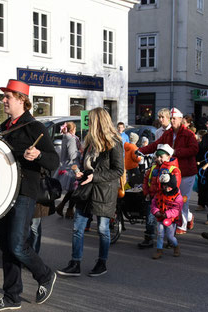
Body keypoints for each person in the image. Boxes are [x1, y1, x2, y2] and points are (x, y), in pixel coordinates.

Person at [0, 79, 58, 312]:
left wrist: (37, 155)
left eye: (8, 97)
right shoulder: (4, 127)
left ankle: (45, 275)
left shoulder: (34, 128)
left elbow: (54, 160)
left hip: (25, 192)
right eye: (4, 96)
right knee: (6, 245)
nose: (3, 100)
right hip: (4, 191)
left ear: (22, 100)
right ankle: (11, 296)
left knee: (17, 244)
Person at [57, 107, 124, 277]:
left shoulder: (114, 142)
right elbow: (82, 162)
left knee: (103, 229)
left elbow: (118, 170)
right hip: (86, 188)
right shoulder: (90, 141)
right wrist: (77, 169)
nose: (88, 124)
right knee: (78, 228)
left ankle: (102, 262)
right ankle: (75, 262)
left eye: (91, 121)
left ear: (99, 122)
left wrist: (94, 176)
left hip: (104, 191)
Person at [139, 107, 199, 234]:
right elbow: (156, 145)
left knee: (183, 198)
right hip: (170, 170)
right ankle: (188, 217)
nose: (172, 121)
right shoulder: (167, 133)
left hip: (186, 171)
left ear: (181, 120)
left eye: (174, 119)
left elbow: (194, 149)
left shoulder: (188, 134)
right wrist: (141, 150)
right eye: (171, 118)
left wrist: (177, 152)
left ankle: (181, 226)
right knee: (172, 198)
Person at [137, 145, 182, 248]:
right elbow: (146, 180)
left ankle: (170, 240)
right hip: (154, 200)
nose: (159, 159)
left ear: (168, 156)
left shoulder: (174, 170)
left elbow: (175, 186)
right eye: (157, 156)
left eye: (162, 156)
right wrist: (146, 192)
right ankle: (149, 238)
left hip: (168, 201)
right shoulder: (153, 168)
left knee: (168, 220)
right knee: (150, 219)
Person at [151, 174, 183, 259]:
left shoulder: (177, 197)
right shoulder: (159, 194)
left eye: (167, 186)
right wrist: (156, 211)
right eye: (164, 186)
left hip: (170, 220)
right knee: (160, 234)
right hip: (160, 217)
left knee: (170, 236)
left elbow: (176, 209)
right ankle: (159, 250)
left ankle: (176, 246)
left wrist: (167, 214)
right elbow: (153, 204)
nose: (165, 188)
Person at [55, 121, 81, 219]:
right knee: (74, 190)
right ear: (72, 129)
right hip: (72, 167)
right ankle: (68, 209)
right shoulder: (71, 139)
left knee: (72, 191)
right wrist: (80, 152)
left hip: (67, 166)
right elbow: (72, 155)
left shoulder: (66, 137)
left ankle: (63, 207)